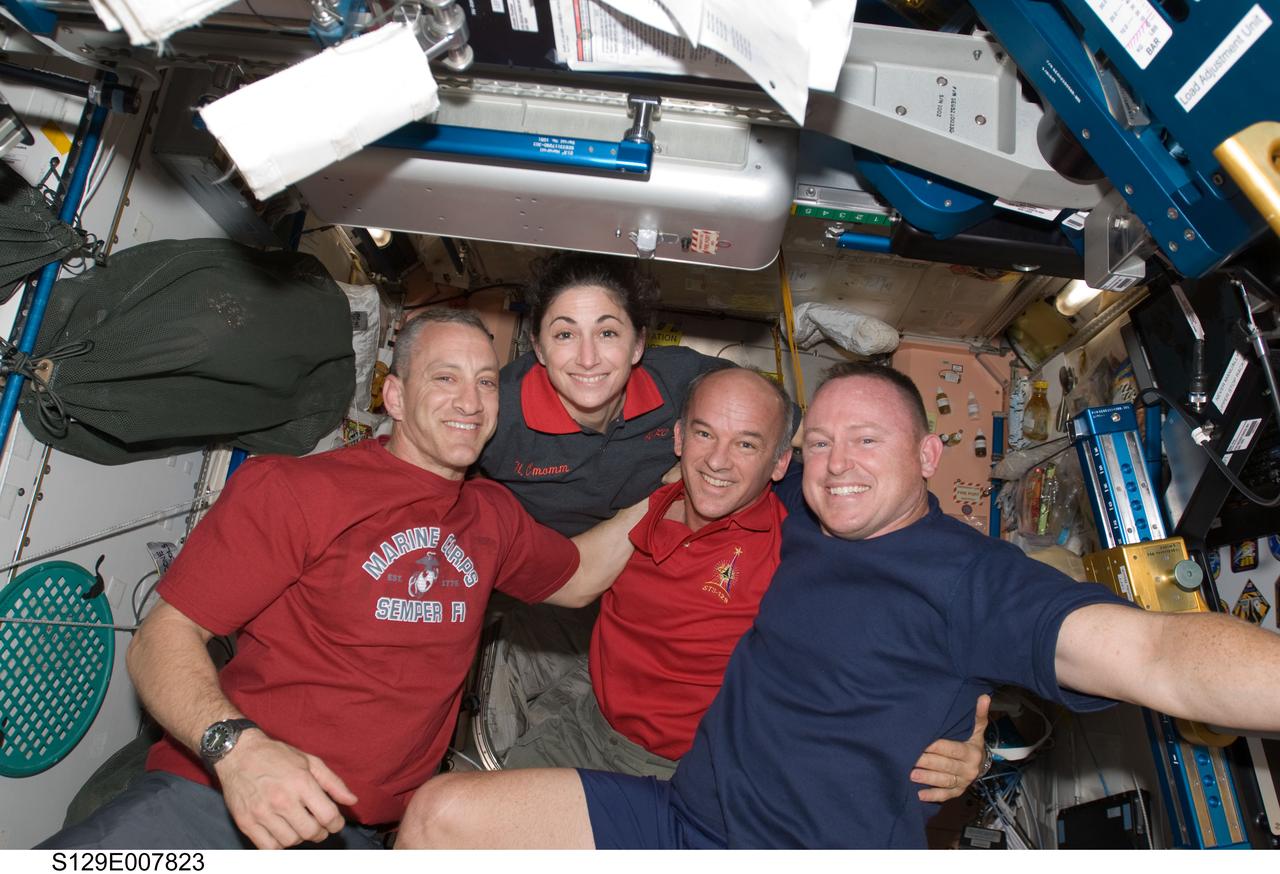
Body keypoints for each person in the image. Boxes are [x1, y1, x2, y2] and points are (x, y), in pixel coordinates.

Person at [395, 361, 1280, 849]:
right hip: (681, 821)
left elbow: (1156, 655)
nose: (839, 463)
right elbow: (716, 444)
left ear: (928, 456)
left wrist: (972, 755)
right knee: (439, 818)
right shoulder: (796, 508)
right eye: (819, 443)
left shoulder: (972, 580)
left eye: (866, 440)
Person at [36, 308, 643, 850]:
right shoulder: (296, 489)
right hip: (218, 803)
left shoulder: (493, 516)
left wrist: (671, 492)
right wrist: (238, 752)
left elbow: (580, 577)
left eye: (486, 382)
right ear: (395, 397)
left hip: (358, 836)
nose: (470, 402)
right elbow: (161, 638)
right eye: (445, 378)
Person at [502, 365, 987, 801]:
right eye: (705, 434)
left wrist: (962, 748)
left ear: (779, 464)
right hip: (583, 722)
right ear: (679, 438)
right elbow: (572, 575)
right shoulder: (644, 500)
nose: (718, 461)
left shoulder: (789, 552)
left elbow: (886, 639)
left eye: (747, 444)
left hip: (675, 776)